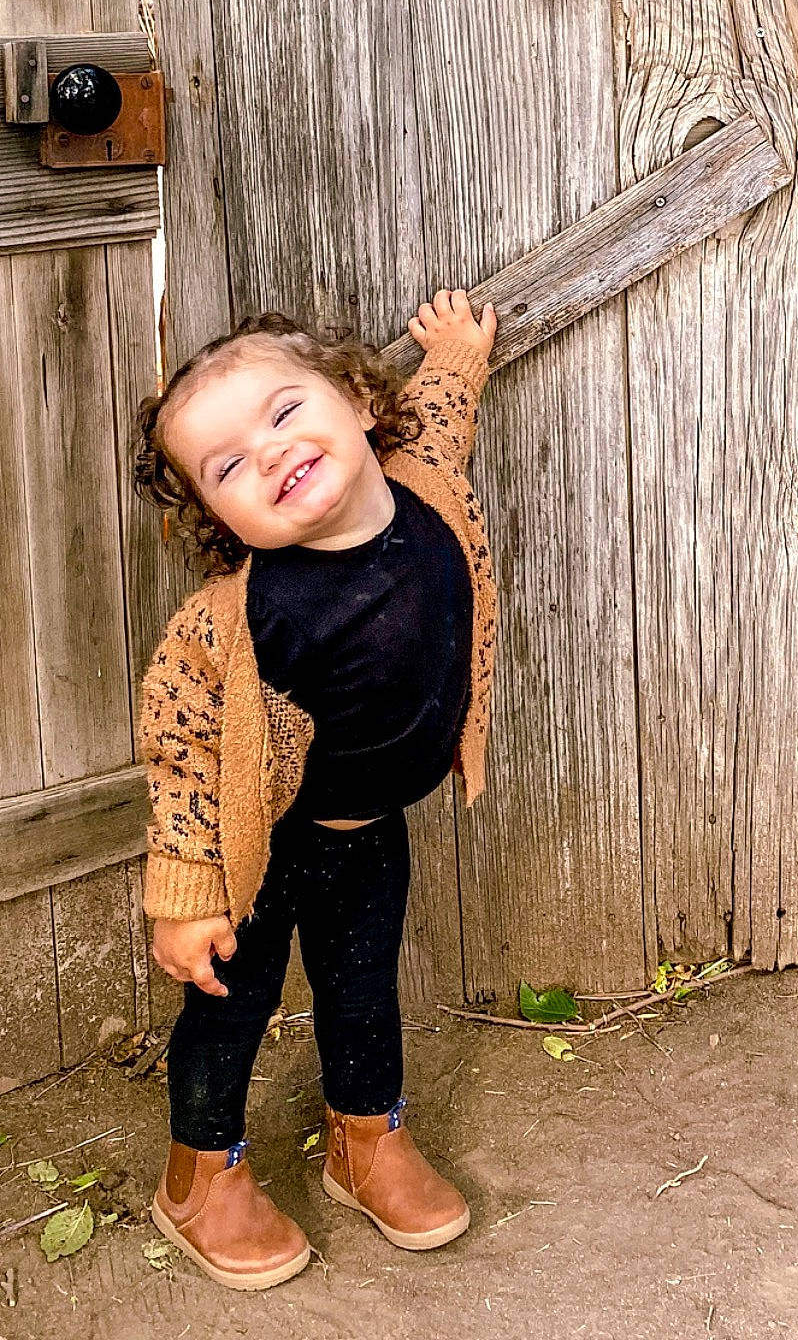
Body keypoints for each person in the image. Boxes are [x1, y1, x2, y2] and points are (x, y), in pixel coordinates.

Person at [130, 287, 499, 1289]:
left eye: (285, 411)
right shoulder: (238, 621)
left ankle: (363, 1137)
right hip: (261, 853)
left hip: (371, 831)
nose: (270, 453)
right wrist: (186, 893)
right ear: (215, 514)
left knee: (364, 987)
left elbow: (443, 412)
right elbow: (179, 743)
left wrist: (458, 356)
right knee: (230, 1005)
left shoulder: (421, 481)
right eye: (227, 466)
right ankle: (200, 1175)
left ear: (355, 397)